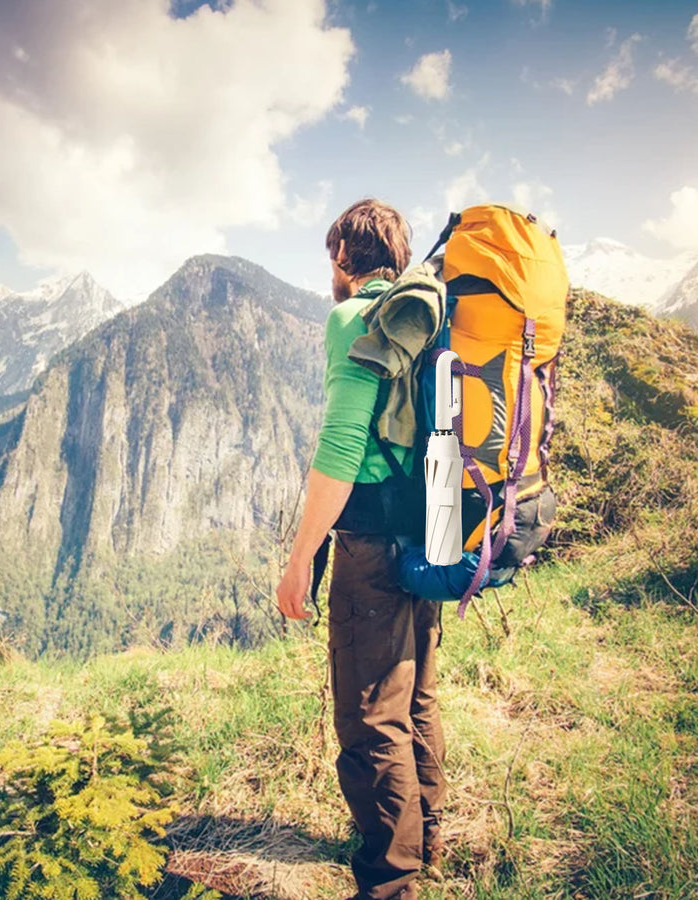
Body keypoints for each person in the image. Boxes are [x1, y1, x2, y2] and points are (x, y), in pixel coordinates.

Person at [276, 199, 447, 900]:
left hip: (371, 547)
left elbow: (343, 444)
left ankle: (389, 883)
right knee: (417, 695)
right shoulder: (423, 319)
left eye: (332, 258)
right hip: (429, 535)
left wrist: (300, 560)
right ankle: (425, 841)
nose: (331, 272)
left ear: (344, 257)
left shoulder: (355, 318)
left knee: (371, 715)